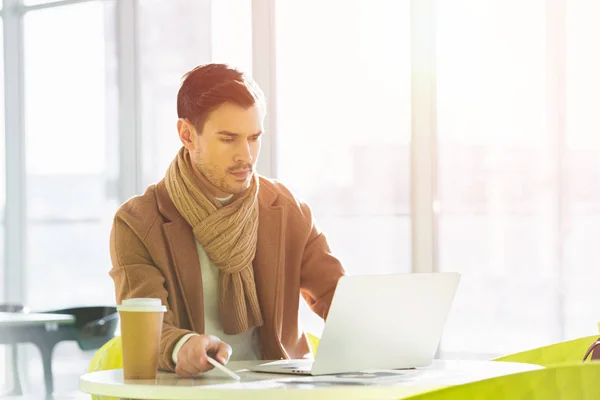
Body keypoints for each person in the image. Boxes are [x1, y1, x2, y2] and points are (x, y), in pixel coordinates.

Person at [109, 63, 345, 378]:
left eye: (254, 138)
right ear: (187, 135)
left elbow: (337, 296)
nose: (245, 155)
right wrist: (183, 346)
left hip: (280, 393)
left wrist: (385, 336)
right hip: (189, 392)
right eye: (228, 139)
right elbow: (148, 326)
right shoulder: (137, 223)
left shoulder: (288, 210)